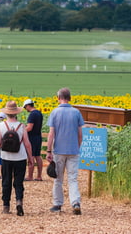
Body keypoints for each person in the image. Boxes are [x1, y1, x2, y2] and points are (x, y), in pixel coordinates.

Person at [46, 87, 85, 215]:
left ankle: (57, 204)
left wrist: (48, 150)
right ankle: (75, 202)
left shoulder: (55, 112)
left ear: (58, 98)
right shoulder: (76, 112)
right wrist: (77, 146)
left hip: (59, 150)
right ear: (70, 98)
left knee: (58, 179)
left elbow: (51, 134)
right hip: (73, 150)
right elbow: (80, 134)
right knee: (72, 178)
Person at [0, 100, 31, 216]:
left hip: (6, 157)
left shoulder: (1, 125)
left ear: (6, 113)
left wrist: (4, 147)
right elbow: (27, 143)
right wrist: (30, 158)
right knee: (19, 182)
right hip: (20, 157)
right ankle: (19, 202)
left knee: (6, 181)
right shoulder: (21, 126)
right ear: (16, 113)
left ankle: (6, 206)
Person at [23, 99, 44, 181]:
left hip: (31, 137)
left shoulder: (32, 115)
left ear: (28, 105)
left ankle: (30, 176)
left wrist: (22, 130)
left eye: (25, 107)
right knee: (38, 156)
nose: (25, 109)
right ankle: (39, 176)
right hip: (38, 136)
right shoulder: (39, 113)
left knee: (30, 156)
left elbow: (29, 128)